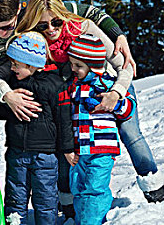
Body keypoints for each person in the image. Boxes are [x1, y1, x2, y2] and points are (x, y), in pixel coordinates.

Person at [0, 0, 164, 212]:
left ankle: (152, 184)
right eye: (42, 25)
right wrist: (6, 93)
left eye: (56, 22)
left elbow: (123, 65)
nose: (51, 30)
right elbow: (0, 70)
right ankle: (68, 202)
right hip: (80, 96)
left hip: (112, 85)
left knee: (129, 132)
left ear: (63, 16)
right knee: (65, 142)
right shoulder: (33, 43)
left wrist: (116, 93)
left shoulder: (83, 28)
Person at [0, 0, 135, 143]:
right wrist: (5, 96)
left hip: (14, 73)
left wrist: (118, 35)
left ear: (19, 9)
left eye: (9, 27)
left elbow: (88, 12)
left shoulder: (32, 8)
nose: (3, 35)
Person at [0, 31, 74, 224]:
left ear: (30, 64)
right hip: (17, 151)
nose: (11, 68)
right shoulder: (14, 85)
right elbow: (5, 112)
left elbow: (64, 121)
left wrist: (67, 149)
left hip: (45, 155)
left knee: (45, 198)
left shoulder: (55, 86)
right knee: (14, 196)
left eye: (15, 64)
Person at [65, 34, 136, 225]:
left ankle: (92, 222)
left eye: (78, 65)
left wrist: (115, 103)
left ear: (94, 65)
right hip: (80, 148)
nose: (73, 69)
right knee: (78, 187)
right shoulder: (73, 87)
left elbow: (129, 109)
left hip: (101, 149)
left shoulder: (107, 85)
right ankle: (82, 220)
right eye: (72, 64)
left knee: (95, 187)